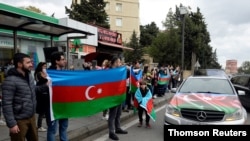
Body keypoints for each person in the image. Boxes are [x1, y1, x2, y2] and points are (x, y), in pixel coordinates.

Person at [2, 53, 48, 141]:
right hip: (19, 121)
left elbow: (33, 90)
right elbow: (6, 104)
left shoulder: (29, 76)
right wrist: (12, 124)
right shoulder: (10, 80)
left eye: (31, 62)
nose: (31, 64)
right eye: (28, 63)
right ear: (19, 64)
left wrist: (45, 86)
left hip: (31, 117)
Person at [47, 51, 68, 141]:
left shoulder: (65, 73)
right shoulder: (48, 74)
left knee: (64, 127)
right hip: (53, 107)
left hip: (64, 105)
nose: (65, 61)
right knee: (52, 130)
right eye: (63, 59)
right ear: (56, 61)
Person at [108, 56, 128, 141]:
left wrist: (126, 69)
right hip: (112, 97)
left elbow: (127, 75)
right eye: (118, 62)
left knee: (118, 113)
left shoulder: (120, 71)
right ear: (114, 63)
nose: (119, 64)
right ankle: (111, 132)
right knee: (112, 115)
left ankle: (118, 128)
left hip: (119, 96)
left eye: (120, 62)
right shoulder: (109, 72)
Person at [34, 62, 49, 132]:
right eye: (44, 66)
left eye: (46, 66)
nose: (45, 68)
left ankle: (47, 124)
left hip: (45, 93)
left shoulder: (43, 73)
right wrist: (46, 76)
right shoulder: (39, 73)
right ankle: (39, 126)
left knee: (45, 111)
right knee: (42, 111)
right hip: (42, 93)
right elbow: (44, 80)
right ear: (40, 67)